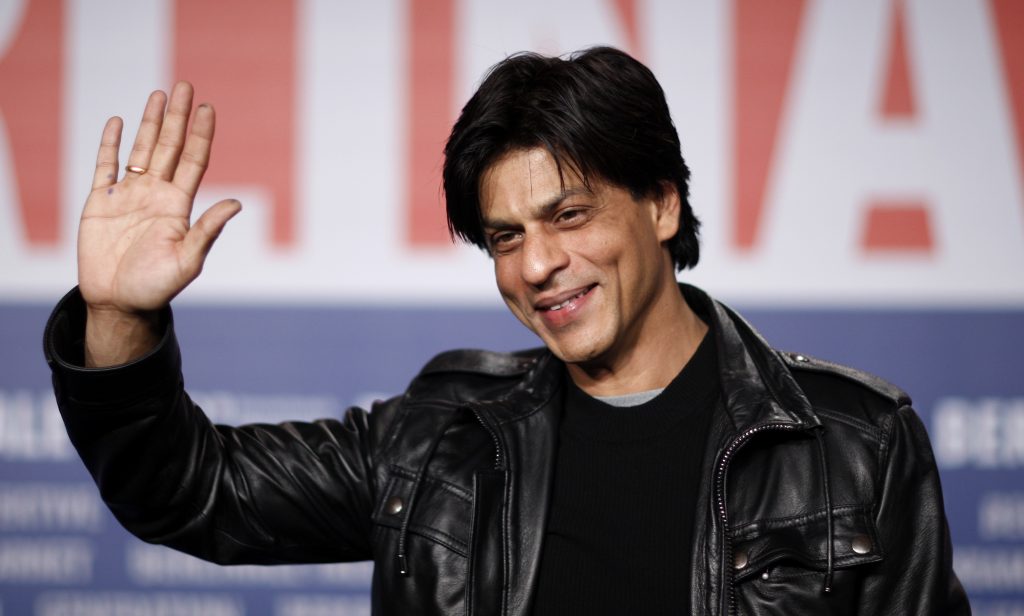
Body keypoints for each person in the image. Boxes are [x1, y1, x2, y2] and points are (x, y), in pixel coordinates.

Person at [44, 47, 970, 615]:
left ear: (659, 203)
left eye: (569, 216)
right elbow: (186, 489)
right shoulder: (441, 432)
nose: (536, 266)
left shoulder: (854, 443)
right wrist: (121, 314)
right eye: (506, 237)